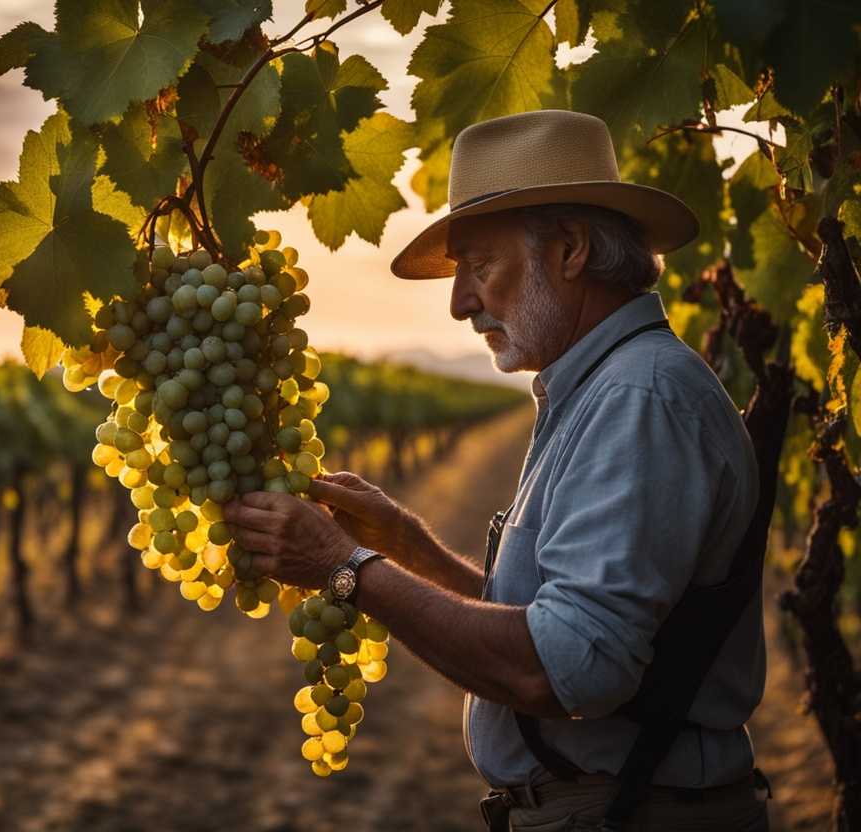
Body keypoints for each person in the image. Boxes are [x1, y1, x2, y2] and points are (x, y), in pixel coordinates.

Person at [221, 109, 770, 830]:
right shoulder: (601, 389)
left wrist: (344, 566)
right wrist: (404, 545)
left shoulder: (640, 398)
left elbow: (565, 667)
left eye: (479, 265)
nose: (459, 302)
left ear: (570, 249)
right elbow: (548, 622)